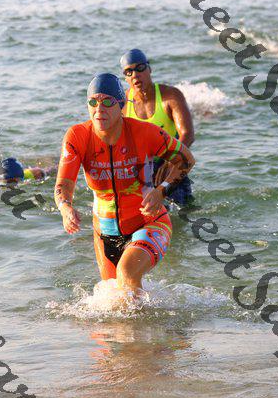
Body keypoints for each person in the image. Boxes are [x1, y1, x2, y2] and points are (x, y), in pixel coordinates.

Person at [54, 73, 195, 296]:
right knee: (114, 299)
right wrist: (65, 208)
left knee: (127, 274)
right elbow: (63, 183)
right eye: (93, 102)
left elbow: (186, 160)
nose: (99, 109)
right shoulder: (77, 136)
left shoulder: (144, 132)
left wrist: (162, 191)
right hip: (104, 234)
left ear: (121, 105)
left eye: (107, 102)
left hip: (149, 222)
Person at [120, 48, 195, 208]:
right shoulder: (123, 103)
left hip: (170, 163)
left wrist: (171, 162)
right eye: (129, 72)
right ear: (125, 77)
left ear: (149, 69)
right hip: (140, 167)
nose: (135, 75)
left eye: (140, 68)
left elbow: (187, 134)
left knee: (183, 211)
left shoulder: (171, 96)